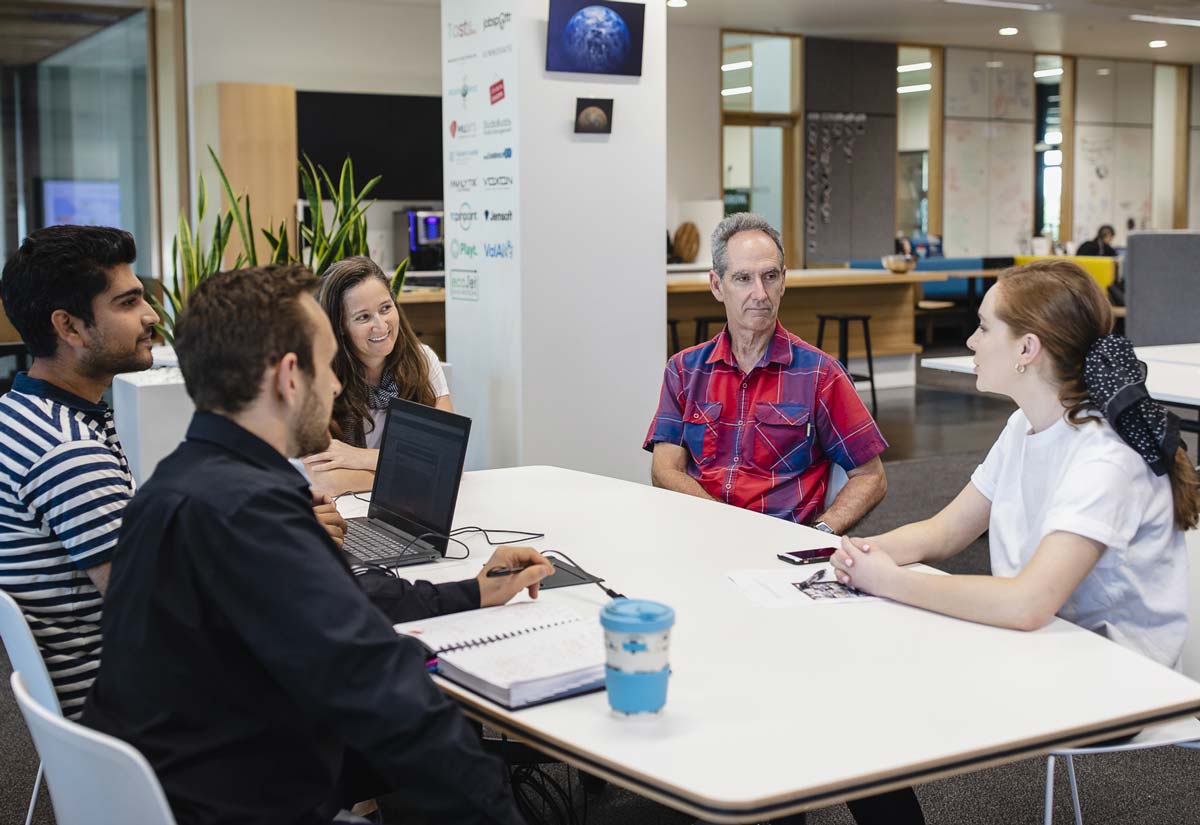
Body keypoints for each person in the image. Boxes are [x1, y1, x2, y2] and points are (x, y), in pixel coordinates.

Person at [83, 265, 548, 825]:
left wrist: (472, 591)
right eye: (327, 365)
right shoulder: (248, 514)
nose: (334, 384)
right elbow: (377, 680)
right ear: (288, 377)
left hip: (185, 778)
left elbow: (351, 598)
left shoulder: (184, 482)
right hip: (243, 797)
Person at [0, 227, 349, 718]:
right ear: (70, 328)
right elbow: (159, 615)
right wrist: (284, 545)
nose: (150, 316)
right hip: (145, 711)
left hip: (103, 701)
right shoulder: (68, 451)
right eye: (127, 303)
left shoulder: (21, 415)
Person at [829, 260, 1200, 670]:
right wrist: (860, 553)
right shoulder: (1024, 423)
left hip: (1111, 676)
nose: (971, 341)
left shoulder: (1105, 457)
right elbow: (946, 530)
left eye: (985, 328)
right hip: (1042, 647)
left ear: (1026, 348)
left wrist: (890, 581)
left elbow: (1028, 603)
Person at [644, 212, 888, 535]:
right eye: (743, 278)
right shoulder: (683, 371)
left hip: (780, 550)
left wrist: (820, 533)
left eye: (770, 276)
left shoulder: (820, 375)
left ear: (783, 281)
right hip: (698, 536)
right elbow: (664, 470)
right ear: (717, 285)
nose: (760, 293)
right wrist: (721, 524)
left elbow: (871, 476)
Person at [304, 256, 450, 494]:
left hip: (407, 508)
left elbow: (450, 462)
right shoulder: (319, 377)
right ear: (340, 325)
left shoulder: (423, 360)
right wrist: (416, 470)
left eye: (385, 308)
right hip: (346, 514)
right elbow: (325, 480)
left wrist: (362, 458)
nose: (381, 326)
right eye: (363, 317)